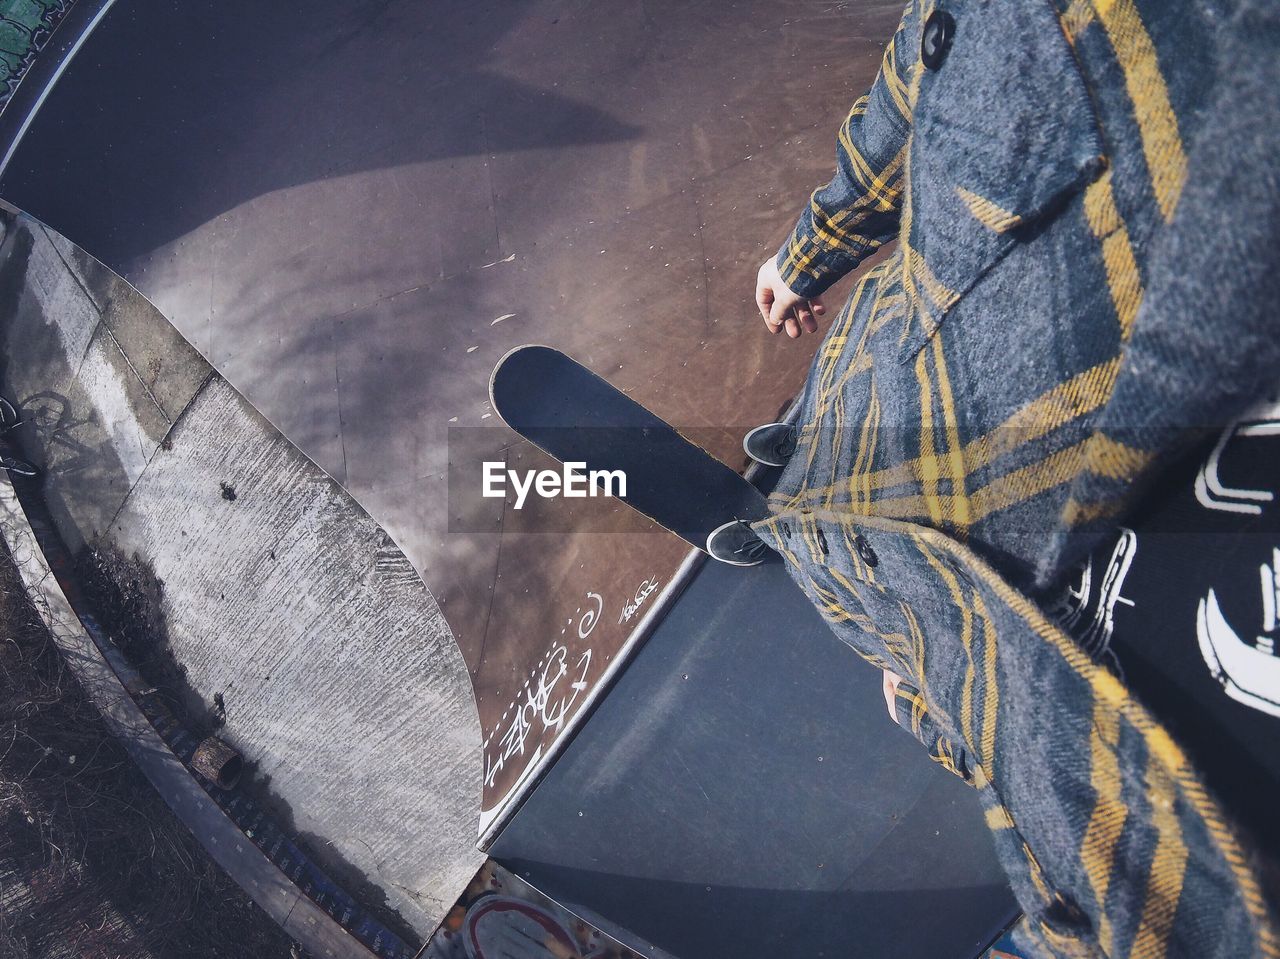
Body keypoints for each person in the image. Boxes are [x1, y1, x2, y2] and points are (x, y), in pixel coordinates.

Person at [705, 0, 1280, 955]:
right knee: (827, 446)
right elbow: (947, 52)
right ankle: (790, 470)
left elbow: (1065, 873)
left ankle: (796, 505)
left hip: (925, 607)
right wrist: (818, 245)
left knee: (848, 557)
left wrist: (941, 713)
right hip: (884, 379)